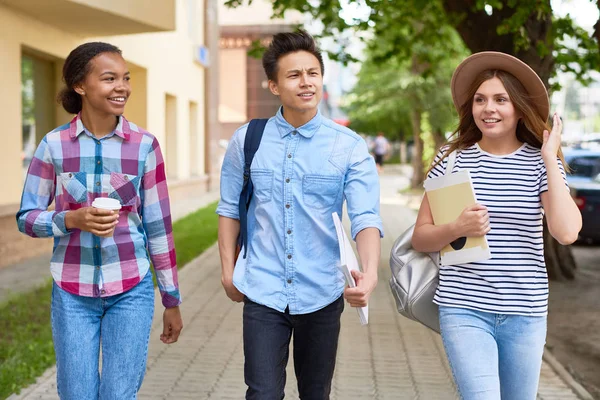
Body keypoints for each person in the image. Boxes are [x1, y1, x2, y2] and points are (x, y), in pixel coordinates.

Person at [216, 30, 383, 399]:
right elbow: (229, 209)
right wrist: (228, 272)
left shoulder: (350, 146)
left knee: (315, 392)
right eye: (294, 75)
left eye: (313, 73)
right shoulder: (247, 140)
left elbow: (366, 218)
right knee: (261, 393)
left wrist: (368, 274)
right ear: (274, 86)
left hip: (321, 291)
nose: (306, 82)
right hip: (263, 288)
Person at [16, 42, 183, 399]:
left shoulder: (144, 146)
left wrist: (171, 299)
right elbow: (26, 218)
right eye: (109, 79)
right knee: (77, 394)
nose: (122, 87)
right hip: (72, 291)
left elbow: (158, 226)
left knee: (118, 395)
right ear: (80, 85)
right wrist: (70, 219)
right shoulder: (53, 145)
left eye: (125, 78)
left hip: (131, 287)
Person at [411, 51, 582, 400]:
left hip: (525, 312)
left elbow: (566, 233)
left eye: (500, 99)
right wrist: (457, 227)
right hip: (464, 308)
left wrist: (550, 157)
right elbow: (421, 237)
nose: (489, 108)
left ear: (518, 107)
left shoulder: (540, 165)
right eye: (480, 100)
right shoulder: (453, 159)